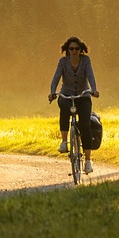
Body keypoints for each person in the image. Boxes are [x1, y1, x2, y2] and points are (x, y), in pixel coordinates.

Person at [48, 36, 100, 173]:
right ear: (67, 50)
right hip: (67, 94)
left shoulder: (86, 61)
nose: (74, 51)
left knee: (85, 125)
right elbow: (56, 78)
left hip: (83, 95)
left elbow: (90, 76)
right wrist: (52, 92)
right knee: (64, 109)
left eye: (77, 49)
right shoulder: (63, 62)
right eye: (71, 49)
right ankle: (64, 142)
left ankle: (88, 161)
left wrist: (94, 90)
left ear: (81, 49)